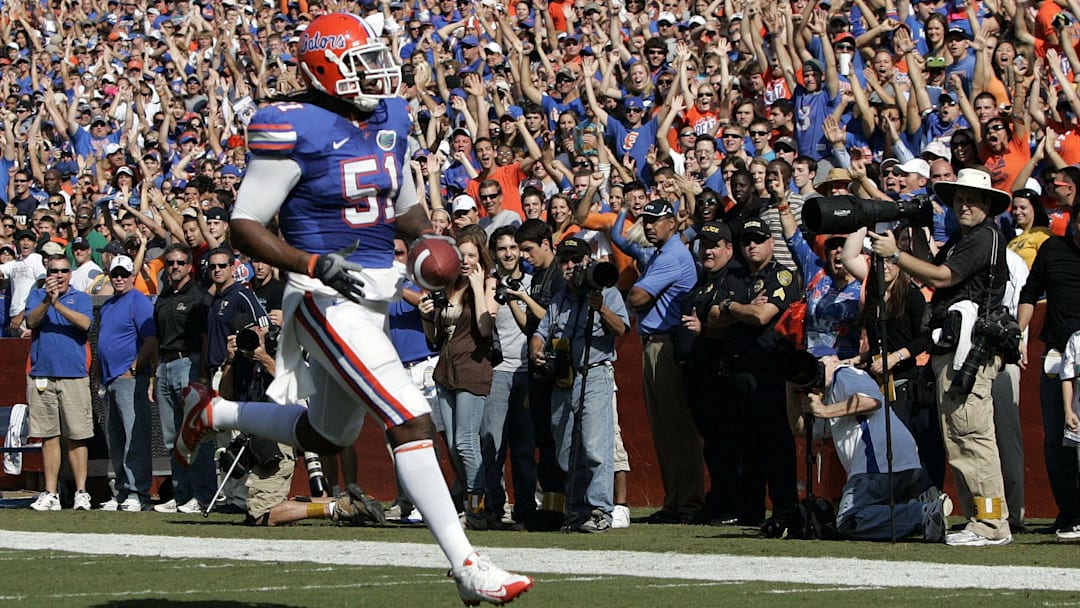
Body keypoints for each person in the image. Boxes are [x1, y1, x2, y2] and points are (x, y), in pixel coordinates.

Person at [172, 14, 532, 605]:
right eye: (358, 62)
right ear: (322, 67)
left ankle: (212, 413)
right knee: (410, 418)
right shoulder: (292, 125)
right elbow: (243, 225)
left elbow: (408, 211)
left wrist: (425, 249)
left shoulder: (390, 117)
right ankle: (468, 565)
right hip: (319, 295)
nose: (375, 73)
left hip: (376, 294)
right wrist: (312, 265)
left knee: (329, 435)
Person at [870, 167, 1013, 546]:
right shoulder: (965, 239)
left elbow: (942, 277)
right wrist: (915, 229)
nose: (963, 206)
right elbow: (933, 266)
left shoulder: (983, 237)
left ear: (987, 205)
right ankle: (979, 519)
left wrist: (895, 255)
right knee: (959, 437)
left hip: (969, 348)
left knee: (972, 435)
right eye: (958, 199)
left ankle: (993, 522)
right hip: (955, 346)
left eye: (971, 200)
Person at [783, 347, 951, 542]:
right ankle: (923, 514)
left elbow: (870, 401)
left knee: (848, 520)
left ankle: (920, 513)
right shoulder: (832, 395)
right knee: (866, 515)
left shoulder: (845, 374)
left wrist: (825, 410)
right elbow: (802, 430)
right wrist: (791, 391)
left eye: (818, 363)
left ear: (833, 360)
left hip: (877, 462)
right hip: (895, 460)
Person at [530, 236, 629, 532]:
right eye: (565, 260)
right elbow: (542, 330)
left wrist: (600, 308)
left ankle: (600, 510)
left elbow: (622, 328)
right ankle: (576, 509)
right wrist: (536, 349)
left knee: (595, 447)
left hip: (595, 372)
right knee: (566, 450)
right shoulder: (560, 297)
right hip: (563, 376)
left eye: (576, 259)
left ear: (588, 260)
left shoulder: (606, 291)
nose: (571, 266)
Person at [711, 217, 799, 527]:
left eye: (758, 239)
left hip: (768, 369)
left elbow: (762, 316)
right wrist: (741, 309)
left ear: (771, 243)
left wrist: (732, 308)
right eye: (747, 240)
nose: (752, 246)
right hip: (735, 369)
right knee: (742, 445)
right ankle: (748, 510)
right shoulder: (732, 275)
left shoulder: (783, 276)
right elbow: (710, 317)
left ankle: (785, 510)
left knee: (774, 444)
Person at [627, 200, 703, 523]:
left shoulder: (671, 256)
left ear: (672, 223)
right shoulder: (664, 254)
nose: (648, 226)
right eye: (646, 220)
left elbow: (637, 297)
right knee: (664, 428)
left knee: (676, 428)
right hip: (654, 342)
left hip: (665, 344)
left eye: (656, 220)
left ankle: (687, 502)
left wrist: (639, 295)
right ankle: (675, 500)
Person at [419, 227, 497, 530]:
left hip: (472, 370)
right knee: (453, 445)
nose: (464, 261)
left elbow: (486, 328)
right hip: (446, 371)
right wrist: (427, 316)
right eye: (460, 255)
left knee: (466, 443)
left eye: (470, 255)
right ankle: (479, 503)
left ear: (480, 256)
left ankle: (477, 508)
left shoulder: (489, 283)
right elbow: (435, 338)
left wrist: (478, 289)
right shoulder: (447, 284)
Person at [1018, 204, 1080, 538]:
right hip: (1057, 354)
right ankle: (1069, 513)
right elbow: (1030, 292)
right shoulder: (1053, 249)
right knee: (1056, 439)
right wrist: (1019, 334)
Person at [26, 254, 94, 512]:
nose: (59, 276)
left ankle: (81, 492)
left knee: (78, 435)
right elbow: (31, 321)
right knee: (48, 436)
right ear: (47, 273)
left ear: (71, 273)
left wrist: (58, 305)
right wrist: (47, 300)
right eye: (54, 271)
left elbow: (85, 324)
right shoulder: (37, 295)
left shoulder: (81, 298)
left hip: (74, 375)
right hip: (42, 374)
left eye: (64, 271)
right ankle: (50, 492)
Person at [152, 244, 215, 514]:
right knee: (171, 437)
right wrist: (155, 375)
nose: (175, 266)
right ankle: (182, 493)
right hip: (165, 365)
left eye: (180, 262)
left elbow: (205, 339)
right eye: (170, 262)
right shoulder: (164, 296)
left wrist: (202, 373)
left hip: (188, 362)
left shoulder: (200, 297)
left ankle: (203, 495)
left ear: (190, 266)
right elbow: (157, 338)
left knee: (195, 435)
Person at [483, 226, 534, 529]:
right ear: (494, 253)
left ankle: (526, 510)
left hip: (527, 372)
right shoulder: (489, 287)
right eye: (502, 248)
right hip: (498, 373)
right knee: (493, 446)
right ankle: (494, 508)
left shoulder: (531, 283)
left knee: (525, 448)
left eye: (514, 247)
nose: (509, 253)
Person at [98, 254, 157, 511]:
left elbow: (151, 340)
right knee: (117, 439)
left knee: (136, 437)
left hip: (130, 380)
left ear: (133, 275)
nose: (119, 278)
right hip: (111, 380)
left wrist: (133, 368)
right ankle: (122, 490)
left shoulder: (139, 302)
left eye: (124, 273)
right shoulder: (109, 305)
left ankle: (138, 492)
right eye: (115, 274)